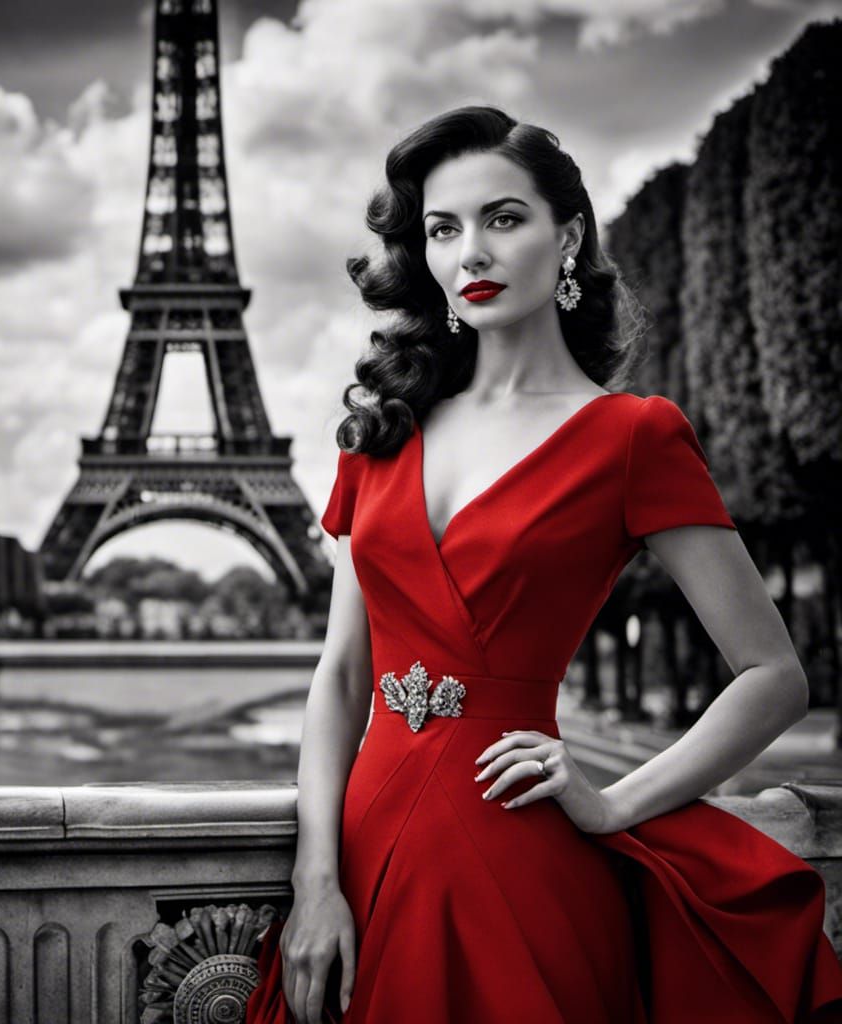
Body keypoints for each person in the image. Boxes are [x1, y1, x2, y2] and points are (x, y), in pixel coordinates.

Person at [245, 105, 842, 1023]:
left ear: (567, 238)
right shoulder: (380, 432)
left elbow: (774, 677)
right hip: (363, 863)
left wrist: (611, 804)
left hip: (519, 857)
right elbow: (342, 675)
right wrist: (315, 880)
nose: (471, 251)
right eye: (443, 229)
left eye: (503, 218)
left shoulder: (632, 437)